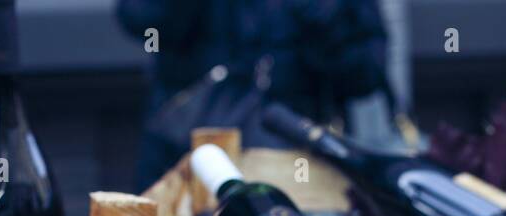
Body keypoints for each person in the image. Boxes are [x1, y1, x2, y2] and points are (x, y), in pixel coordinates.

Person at [116, 0, 391, 188]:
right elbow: (143, 22)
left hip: (301, 176)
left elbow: (366, 77)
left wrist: (322, 16)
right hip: (184, 170)